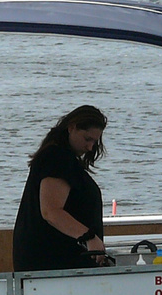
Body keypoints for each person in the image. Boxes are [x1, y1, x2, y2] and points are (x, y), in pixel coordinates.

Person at [13, 106, 111, 272]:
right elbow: (51, 212)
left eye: (94, 142)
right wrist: (89, 238)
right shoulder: (56, 158)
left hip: (56, 263)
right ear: (71, 127)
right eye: (87, 139)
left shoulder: (61, 158)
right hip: (53, 264)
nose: (90, 147)